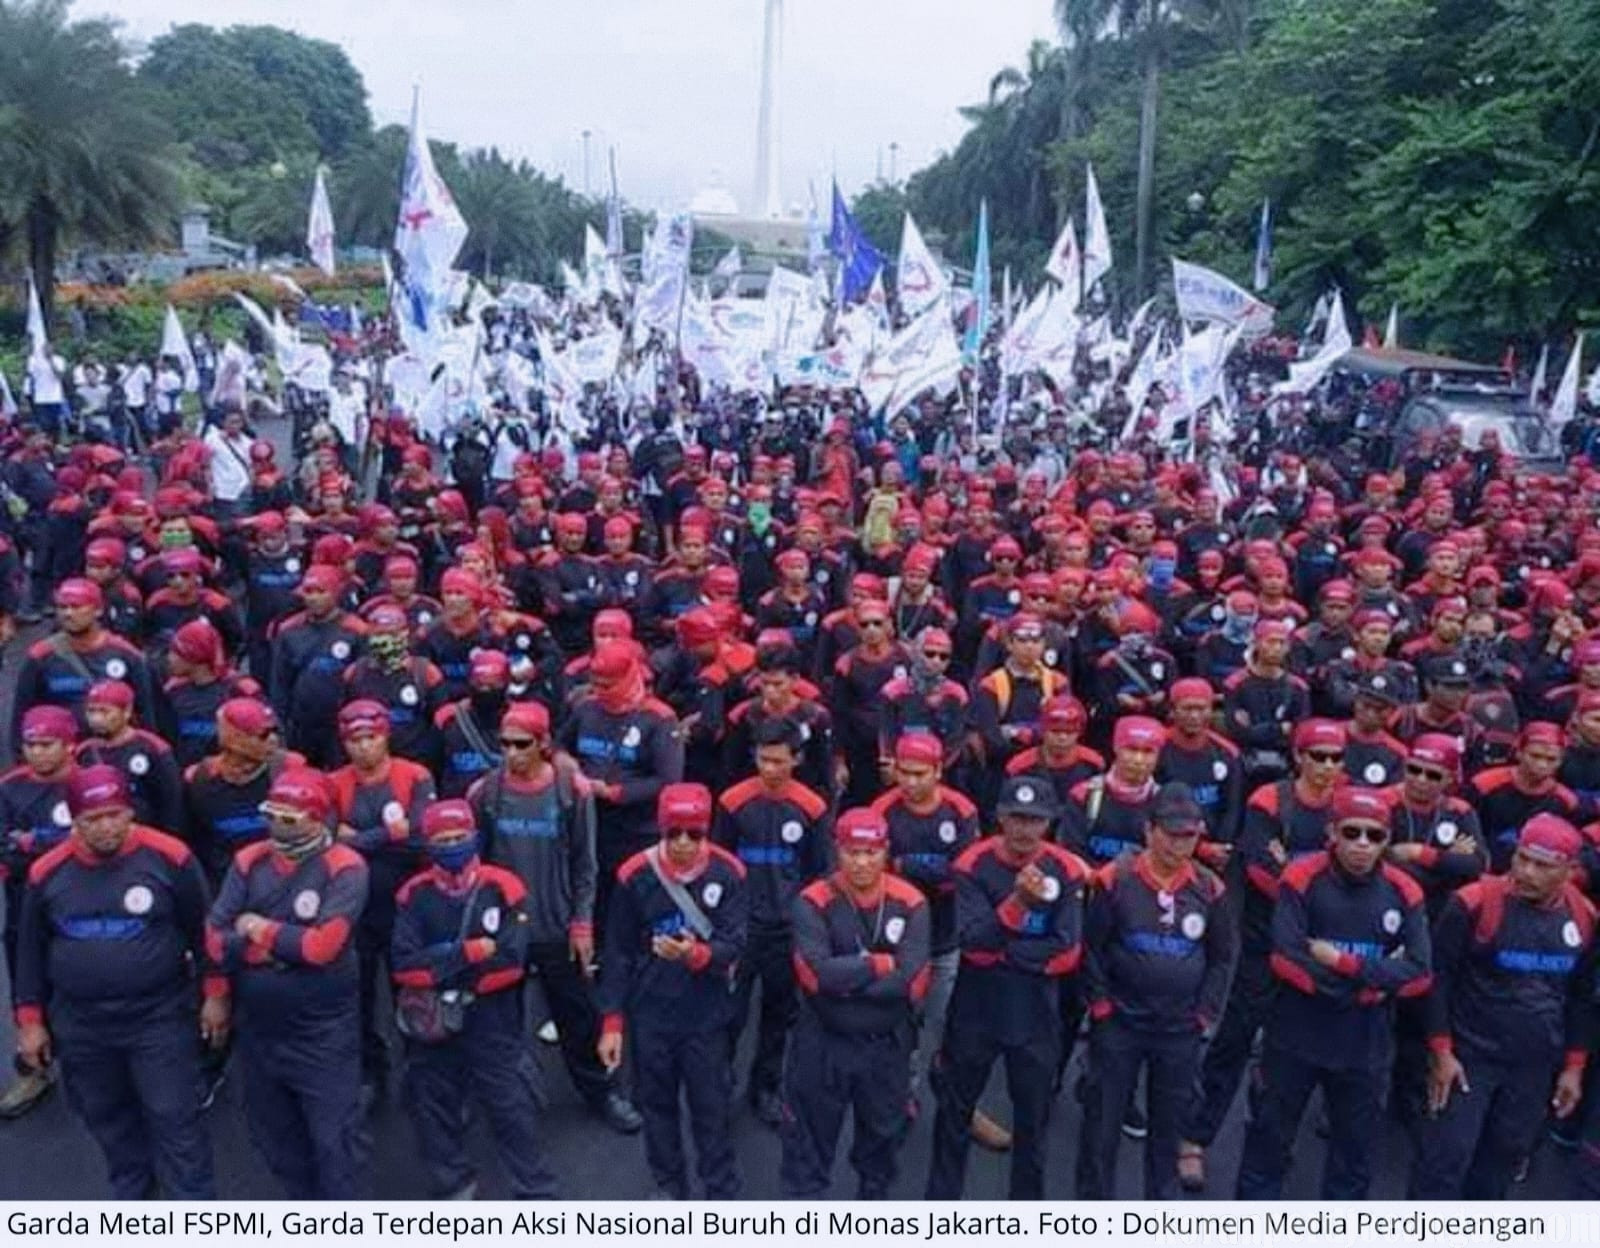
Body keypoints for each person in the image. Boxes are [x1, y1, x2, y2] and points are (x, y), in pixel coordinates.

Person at [14, 766, 220, 1196]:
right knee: (110, 1121)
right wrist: (30, 1021)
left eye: (115, 814)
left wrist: (215, 995)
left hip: (159, 1018)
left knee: (176, 1121)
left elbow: (205, 934)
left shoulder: (171, 857)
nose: (106, 827)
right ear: (74, 820)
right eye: (92, 819)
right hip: (82, 1025)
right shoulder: (46, 873)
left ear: (130, 812)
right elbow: (29, 951)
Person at [1235, 786, 1433, 1199]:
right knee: (1269, 1141)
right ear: (1332, 833)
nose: (1362, 845)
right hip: (1296, 1034)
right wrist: (1375, 982)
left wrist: (1345, 965)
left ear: (1387, 840)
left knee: (1354, 1155)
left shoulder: (1405, 891)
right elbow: (1286, 958)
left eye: (1374, 836)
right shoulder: (1300, 879)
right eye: (1352, 832)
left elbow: (1419, 972)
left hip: (1366, 1043)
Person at [469, 701, 641, 1134]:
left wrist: (582, 922)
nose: (511, 753)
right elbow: (477, 863)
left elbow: (586, 864)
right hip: (505, 930)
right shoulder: (486, 793)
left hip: (557, 926)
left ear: (544, 744)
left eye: (521, 744)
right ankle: (501, 1099)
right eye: (504, 744)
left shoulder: (572, 791)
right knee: (498, 1018)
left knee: (578, 1018)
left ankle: (603, 1092)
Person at [1411, 814, 1595, 1199]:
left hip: (1533, 1065)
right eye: (1522, 859)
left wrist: (1574, 1069)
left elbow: (1580, 997)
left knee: (1500, 1166)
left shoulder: (1584, 918)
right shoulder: (1474, 902)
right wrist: (1441, 1053)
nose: (1527, 872)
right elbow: (1437, 980)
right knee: (1444, 1163)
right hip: (1469, 1058)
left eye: (1542, 865)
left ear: (1568, 869)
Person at [205, 767, 369, 1198]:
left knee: (334, 1142)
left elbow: (322, 949)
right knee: (275, 1139)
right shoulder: (249, 860)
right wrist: (282, 944)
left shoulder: (345, 867)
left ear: (318, 818)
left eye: (290, 818)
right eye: (272, 814)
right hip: (258, 1028)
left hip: (323, 1031)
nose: (278, 825)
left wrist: (257, 928)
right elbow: (215, 939)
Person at [926, 775, 1088, 1200]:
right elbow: (974, 946)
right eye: (1016, 818)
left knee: (1033, 1126)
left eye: (1035, 820)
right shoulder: (972, 864)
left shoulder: (1067, 869)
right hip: (976, 1009)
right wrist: (1020, 906)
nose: (1024, 830)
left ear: (1050, 821)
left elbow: (1068, 952)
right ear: (999, 817)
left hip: (1036, 1014)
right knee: (953, 1117)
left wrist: (1009, 948)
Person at [391, 799, 559, 1199]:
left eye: (459, 837)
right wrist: (467, 953)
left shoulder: (504, 886)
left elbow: (511, 963)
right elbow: (403, 967)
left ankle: (536, 1193)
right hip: (436, 1021)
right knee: (431, 1105)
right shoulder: (412, 895)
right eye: (442, 839)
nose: (452, 846)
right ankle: (454, 1184)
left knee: (509, 1106)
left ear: (475, 838)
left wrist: (442, 964)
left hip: (490, 1017)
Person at [1078, 782, 1235, 1198]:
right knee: (1101, 1129)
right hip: (1120, 1025)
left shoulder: (1210, 888)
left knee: (1167, 1135)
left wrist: (1204, 1015)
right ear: (1149, 831)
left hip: (1179, 1030)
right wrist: (1100, 1006)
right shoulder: (1115, 879)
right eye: (1171, 833)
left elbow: (1222, 957)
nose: (1179, 844)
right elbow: (1091, 948)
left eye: (1189, 835)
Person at [596, 783, 747, 1200]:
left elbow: (736, 943)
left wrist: (695, 955)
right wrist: (612, 1023)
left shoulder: (729, 873)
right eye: (674, 833)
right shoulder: (633, 875)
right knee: (656, 1108)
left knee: (711, 1111)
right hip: (651, 1016)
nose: (683, 843)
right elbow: (618, 953)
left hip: (707, 1015)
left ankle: (720, 1192)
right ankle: (669, 1190)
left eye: (694, 834)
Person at [781, 807, 931, 1197]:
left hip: (884, 1046)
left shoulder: (912, 902)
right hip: (823, 1042)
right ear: (837, 851)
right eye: (852, 852)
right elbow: (816, 977)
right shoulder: (811, 901)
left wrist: (846, 978)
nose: (861, 862)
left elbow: (909, 980)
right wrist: (880, 964)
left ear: (886, 851)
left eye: (871, 852)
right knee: (808, 1149)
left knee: (880, 1149)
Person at [713, 718, 832, 1126]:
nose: (770, 769)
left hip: (787, 930)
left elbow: (819, 872)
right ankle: (719, 1082)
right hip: (741, 930)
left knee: (779, 1015)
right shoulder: (732, 803)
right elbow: (720, 866)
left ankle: (765, 1087)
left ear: (796, 760)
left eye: (779, 761)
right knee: (729, 1013)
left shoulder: (813, 808)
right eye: (763, 760)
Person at [326, 699, 434, 1101]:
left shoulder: (414, 775)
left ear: (386, 736)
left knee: (413, 991)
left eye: (371, 738)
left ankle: (419, 1070)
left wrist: (361, 839)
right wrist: (391, 834)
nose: (364, 747)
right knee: (361, 996)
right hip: (357, 910)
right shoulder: (334, 783)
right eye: (355, 740)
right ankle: (371, 1070)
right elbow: (328, 842)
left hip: (408, 906)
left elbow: (422, 836)